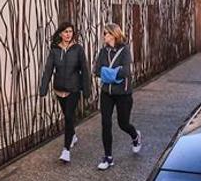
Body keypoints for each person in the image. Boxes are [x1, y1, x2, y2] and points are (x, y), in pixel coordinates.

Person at [39, 22, 91, 163]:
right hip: (59, 89)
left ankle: (66, 150)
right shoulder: (55, 50)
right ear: (60, 33)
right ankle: (72, 135)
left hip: (73, 89)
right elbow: (48, 69)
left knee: (68, 116)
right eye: (65, 31)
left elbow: (85, 70)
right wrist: (43, 88)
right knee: (67, 117)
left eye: (70, 31)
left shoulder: (78, 49)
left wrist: (86, 90)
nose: (68, 34)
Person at [93, 23, 140, 171]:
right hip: (107, 93)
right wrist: (112, 73)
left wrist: (107, 73)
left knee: (123, 123)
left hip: (123, 94)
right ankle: (108, 157)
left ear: (114, 34)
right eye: (104, 33)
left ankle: (135, 136)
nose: (104, 36)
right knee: (105, 123)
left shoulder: (125, 51)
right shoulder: (103, 51)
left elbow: (125, 71)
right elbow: (97, 70)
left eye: (106, 33)